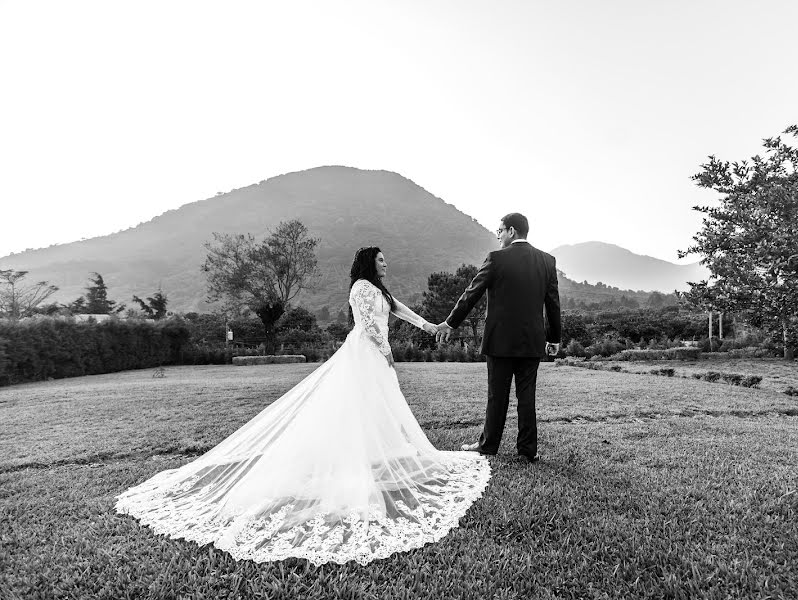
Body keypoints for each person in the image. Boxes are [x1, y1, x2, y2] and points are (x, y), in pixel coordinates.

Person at [115, 247, 491, 565]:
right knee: (357, 404)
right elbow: (369, 325)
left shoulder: (380, 289)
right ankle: (350, 459)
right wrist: (388, 351)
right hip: (365, 353)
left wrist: (432, 326)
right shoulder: (360, 288)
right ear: (367, 263)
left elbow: (401, 312)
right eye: (381, 259)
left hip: (376, 355)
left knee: (376, 407)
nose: (386, 263)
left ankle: (378, 454)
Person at [435, 213, 561, 463]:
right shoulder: (547, 261)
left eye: (500, 230)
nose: (498, 235)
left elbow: (471, 293)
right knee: (527, 397)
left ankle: (488, 446)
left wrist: (450, 322)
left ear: (512, 231)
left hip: (499, 341)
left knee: (497, 396)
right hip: (531, 341)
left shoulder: (496, 259)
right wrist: (554, 338)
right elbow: (553, 303)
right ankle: (527, 451)